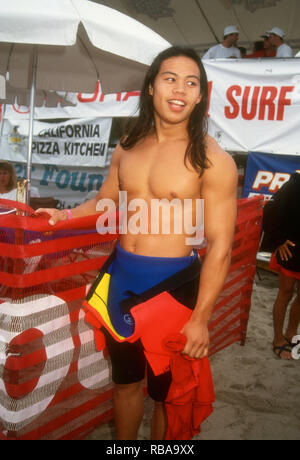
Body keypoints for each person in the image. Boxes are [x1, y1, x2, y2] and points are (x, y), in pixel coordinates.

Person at [36, 46, 237, 440]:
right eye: (170, 78)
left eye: (191, 82)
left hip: (174, 290)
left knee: (166, 395)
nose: (180, 89)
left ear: (200, 96)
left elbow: (222, 246)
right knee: (125, 383)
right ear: (151, 87)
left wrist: (201, 319)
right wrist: (65, 215)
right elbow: (105, 201)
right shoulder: (127, 144)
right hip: (121, 278)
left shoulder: (212, 160)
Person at [261, 171, 300, 359]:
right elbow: (269, 210)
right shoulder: (294, 184)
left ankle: (291, 334)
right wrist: (278, 241)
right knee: (285, 293)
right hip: (292, 251)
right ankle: (277, 339)